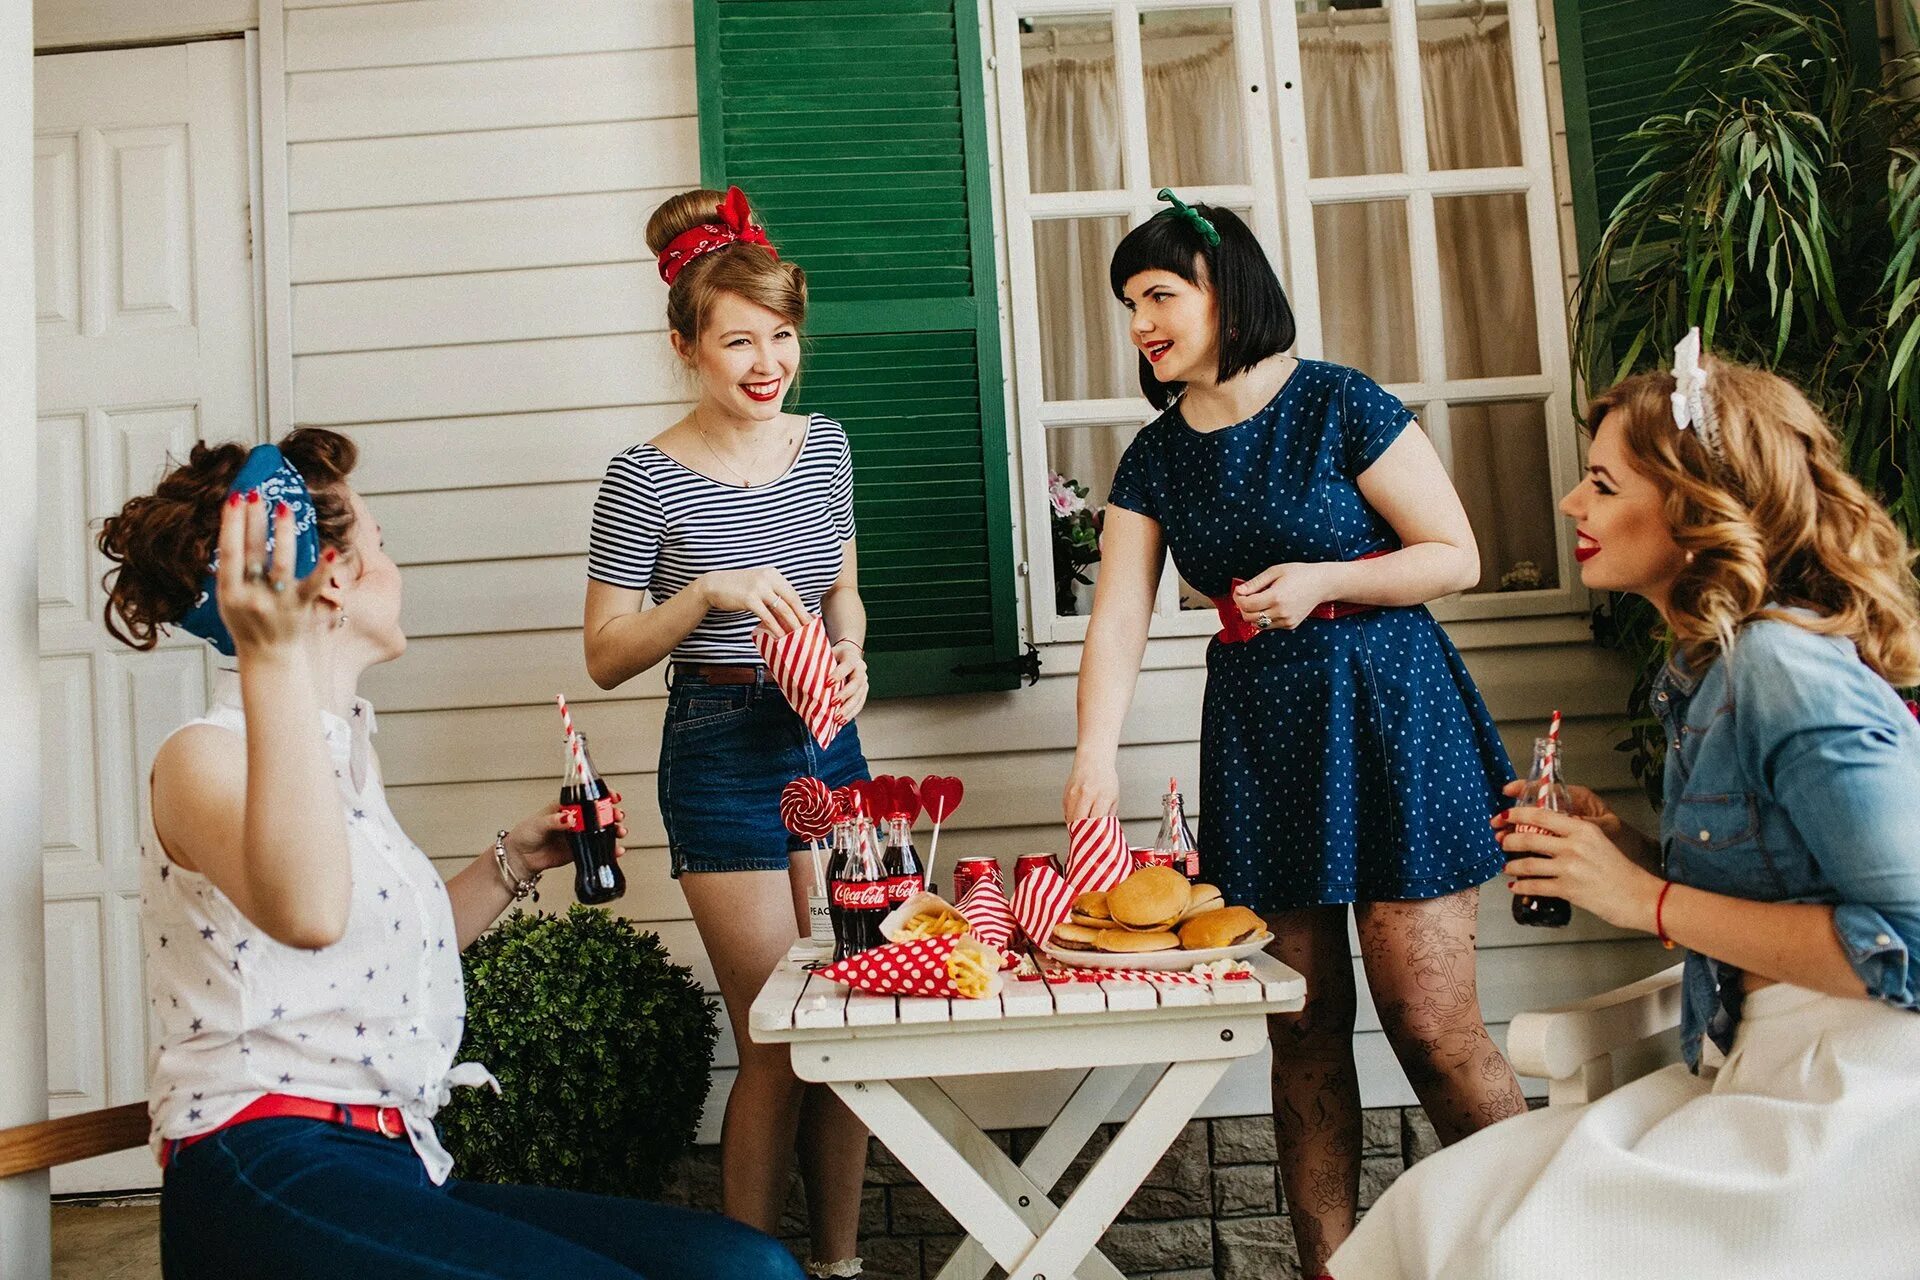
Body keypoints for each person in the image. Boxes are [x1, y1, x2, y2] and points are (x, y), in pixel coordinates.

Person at [101, 430, 800, 1279]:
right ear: (329, 581)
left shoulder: (347, 752)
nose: (397, 570)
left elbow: (369, 955)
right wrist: (271, 654)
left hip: (398, 1160)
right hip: (263, 1160)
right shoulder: (203, 759)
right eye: (382, 548)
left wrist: (516, 859)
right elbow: (312, 913)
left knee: (741, 1266)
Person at [1329, 334, 1920, 1278]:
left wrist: (1638, 898)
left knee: (1503, 1245)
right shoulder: (1705, 671)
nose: (1572, 501)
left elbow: (1910, 943)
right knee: (1435, 1207)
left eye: (1602, 484)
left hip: (1859, 1099)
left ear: (1692, 510)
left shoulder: (1783, 670)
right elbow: (1777, 886)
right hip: (1753, 1064)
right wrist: (1629, 850)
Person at [1063, 191, 1527, 1276]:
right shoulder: (1158, 455)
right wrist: (1094, 751)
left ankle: (1542, 1240)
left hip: (1391, 718)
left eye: (1160, 294)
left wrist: (1326, 578)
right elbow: (1121, 614)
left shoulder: (1339, 403)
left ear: (1229, 292)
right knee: (1300, 1027)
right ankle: (1330, 1267)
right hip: (1263, 743)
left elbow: (1452, 553)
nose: (1141, 320)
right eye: (1130, 302)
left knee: (1429, 1023)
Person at [582, 186, 870, 1279]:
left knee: (846, 1019)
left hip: (827, 740)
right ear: (685, 345)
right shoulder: (641, 478)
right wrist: (704, 593)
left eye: (781, 336)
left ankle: (839, 1265)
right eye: (739, 338)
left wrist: (854, 657)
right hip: (716, 741)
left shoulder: (827, 445)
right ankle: (750, 1270)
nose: (767, 361)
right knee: (777, 1034)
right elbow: (605, 651)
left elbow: (845, 595)